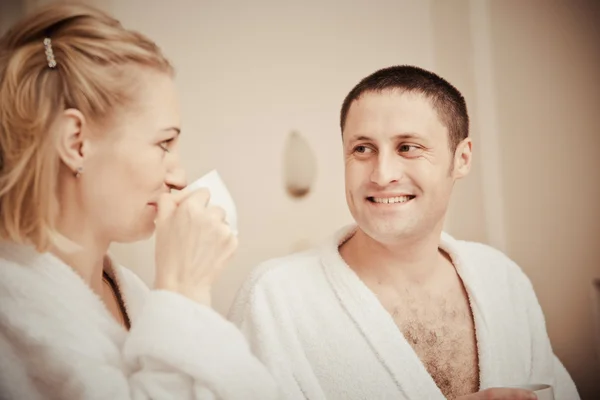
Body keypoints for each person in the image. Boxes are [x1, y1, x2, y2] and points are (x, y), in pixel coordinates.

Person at [229, 65, 580, 400]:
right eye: (362, 149)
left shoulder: (502, 279)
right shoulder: (275, 299)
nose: (382, 175)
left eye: (407, 147)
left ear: (462, 158)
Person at [0, 4, 280, 399]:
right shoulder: (13, 314)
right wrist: (183, 288)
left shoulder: (131, 292)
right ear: (76, 143)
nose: (178, 176)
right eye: (164, 143)